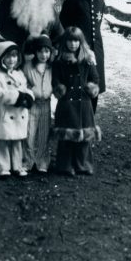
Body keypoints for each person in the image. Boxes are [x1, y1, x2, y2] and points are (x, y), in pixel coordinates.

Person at [52, 27, 101, 176]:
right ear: (64, 41)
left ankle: (83, 164)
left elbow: (95, 78)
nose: (73, 44)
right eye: (69, 40)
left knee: (84, 137)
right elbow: (55, 78)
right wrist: (59, 88)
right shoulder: (59, 60)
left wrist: (91, 88)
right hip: (67, 102)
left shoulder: (87, 59)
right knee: (67, 136)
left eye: (76, 41)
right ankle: (65, 165)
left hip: (83, 101)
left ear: (81, 42)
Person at [59, 0, 106, 113]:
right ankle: (75, 126)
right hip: (77, 53)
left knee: (94, 88)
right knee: (76, 89)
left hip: (96, 53)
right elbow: (64, 29)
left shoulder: (101, 3)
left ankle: (90, 123)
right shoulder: (72, 2)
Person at [0, 41, 34, 178]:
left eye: (14, 56)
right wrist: (16, 96)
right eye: (8, 56)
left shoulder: (19, 74)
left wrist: (29, 96)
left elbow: (26, 88)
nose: (12, 59)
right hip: (3, 114)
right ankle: (3, 167)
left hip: (18, 113)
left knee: (17, 141)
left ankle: (17, 166)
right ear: (1, 58)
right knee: (3, 141)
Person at [22, 34, 53, 173]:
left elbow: (56, 82)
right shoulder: (28, 66)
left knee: (44, 134)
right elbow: (23, 82)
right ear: (35, 52)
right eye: (40, 51)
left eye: (47, 51)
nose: (43, 55)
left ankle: (42, 161)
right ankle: (27, 161)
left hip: (46, 103)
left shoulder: (52, 67)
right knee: (29, 133)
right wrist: (30, 90)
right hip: (32, 104)